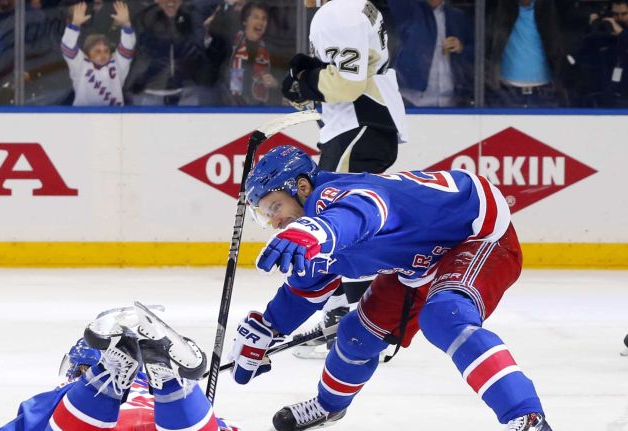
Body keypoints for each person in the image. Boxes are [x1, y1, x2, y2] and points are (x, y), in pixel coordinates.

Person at [229, 145, 553, 431]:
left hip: (474, 233)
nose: (273, 222)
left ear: (302, 187)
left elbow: (363, 211)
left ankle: (527, 418)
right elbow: (303, 292)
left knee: (444, 317)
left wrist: (320, 229)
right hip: (417, 259)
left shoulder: (340, 197)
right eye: (265, 215)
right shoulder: (315, 236)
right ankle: (329, 406)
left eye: (275, 208)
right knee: (356, 335)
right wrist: (268, 327)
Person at [279, 0, 409, 360]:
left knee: (346, 230)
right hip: (363, 126)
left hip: (359, 126)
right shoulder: (357, 6)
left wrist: (304, 83)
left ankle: (365, 334)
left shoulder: (338, 12)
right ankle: (342, 318)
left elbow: (347, 85)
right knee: (340, 229)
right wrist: (314, 73)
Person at [0, 305, 242, 431]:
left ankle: (106, 379)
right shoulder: (146, 394)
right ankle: (173, 384)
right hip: (179, 421)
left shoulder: (56, 397)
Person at [389, 0, 474, 107]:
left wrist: (461, 48)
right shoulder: (408, 10)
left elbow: (477, 52)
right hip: (412, 99)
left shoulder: (458, 17)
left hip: (450, 101)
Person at [486, 0, 567, 107]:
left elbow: (558, 41)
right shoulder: (503, 9)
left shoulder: (547, 9)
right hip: (507, 89)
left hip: (544, 90)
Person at [125, 0, 207, 105]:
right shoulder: (145, 18)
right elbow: (140, 55)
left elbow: (198, 52)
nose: (171, 1)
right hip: (148, 93)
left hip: (187, 92)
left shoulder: (193, 17)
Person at [62, 1, 135, 106]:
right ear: (88, 53)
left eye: (106, 50)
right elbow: (67, 47)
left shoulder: (118, 65)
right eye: (97, 51)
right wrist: (75, 25)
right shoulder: (80, 65)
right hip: (83, 118)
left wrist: (126, 24)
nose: (103, 55)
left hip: (114, 118)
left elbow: (128, 45)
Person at [577, 0, 628, 107]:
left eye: (624, 14)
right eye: (615, 14)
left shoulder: (619, 30)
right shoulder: (606, 29)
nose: (619, 18)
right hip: (608, 88)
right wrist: (593, 27)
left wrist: (621, 33)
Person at [226, 1, 278, 105]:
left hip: (261, 109)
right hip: (231, 108)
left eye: (264, 19)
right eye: (256, 17)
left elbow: (281, 82)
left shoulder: (270, 50)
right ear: (245, 21)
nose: (261, 22)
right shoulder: (232, 45)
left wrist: (274, 83)